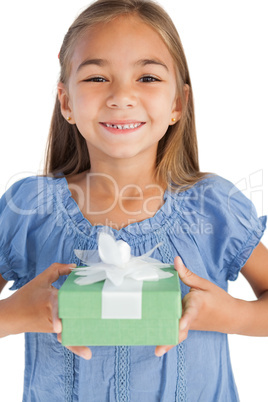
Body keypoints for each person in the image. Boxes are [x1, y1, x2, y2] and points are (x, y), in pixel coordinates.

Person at [0, 0, 268, 400]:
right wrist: (14, 315)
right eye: (95, 78)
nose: (122, 96)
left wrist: (228, 314)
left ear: (178, 103)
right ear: (66, 101)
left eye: (146, 77)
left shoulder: (212, 206)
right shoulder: (30, 209)